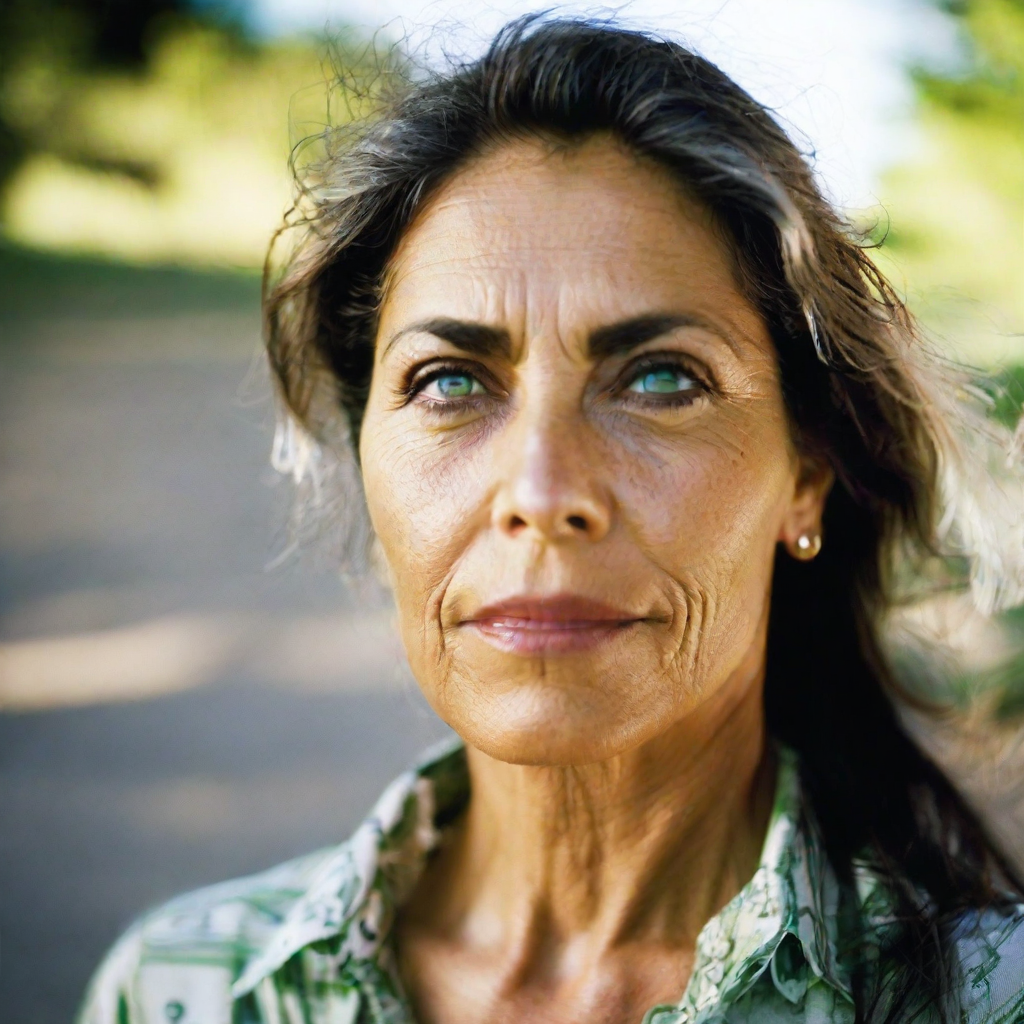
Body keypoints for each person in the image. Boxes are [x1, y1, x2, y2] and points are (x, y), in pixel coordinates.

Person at [78, 16, 1024, 1024]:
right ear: (364, 457)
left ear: (807, 468)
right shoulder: (183, 991)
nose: (540, 487)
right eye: (448, 383)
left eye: (661, 379)